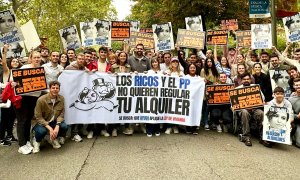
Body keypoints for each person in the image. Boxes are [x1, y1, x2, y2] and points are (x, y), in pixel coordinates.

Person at [14, 51, 42, 155]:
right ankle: (21, 145)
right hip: (22, 98)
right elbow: (15, 81)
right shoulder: (24, 68)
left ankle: (26, 141)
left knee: (28, 120)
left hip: (34, 98)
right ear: (30, 58)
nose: (37, 59)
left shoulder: (40, 69)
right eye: (35, 57)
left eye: (38, 57)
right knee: (22, 120)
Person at [31, 81, 68, 153]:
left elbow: (61, 113)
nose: (55, 89)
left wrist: (57, 125)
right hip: (40, 122)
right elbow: (38, 117)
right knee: (42, 131)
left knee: (64, 126)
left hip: (53, 121)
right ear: (49, 89)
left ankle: (53, 137)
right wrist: (50, 129)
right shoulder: (41, 100)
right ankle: (37, 140)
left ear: (59, 89)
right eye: (53, 88)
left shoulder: (61, 98)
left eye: (57, 88)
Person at [235, 72, 265, 147]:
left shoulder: (255, 87)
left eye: (248, 79)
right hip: (243, 109)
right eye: (244, 79)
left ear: (251, 80)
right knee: (244, 112)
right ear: (241, 81)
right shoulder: (237, 90)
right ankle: (246, 137)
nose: (246, 80)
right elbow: (234, 103)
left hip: (255, 108)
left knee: (261, 113)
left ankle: (263, 137)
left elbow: (262, 99)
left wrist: (262, 102)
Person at [0, 44, 20, 146]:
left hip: (14, 100)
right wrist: (5, 51)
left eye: (17, 61)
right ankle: (1, 138)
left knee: (12, 118)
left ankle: (9, 135)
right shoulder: (7, 71)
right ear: (10, 63)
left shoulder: (20, 73)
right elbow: (3, 63)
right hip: (6, 99)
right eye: (13, 61)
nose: (15, 62)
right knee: (4, 118)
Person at [164, 57, 184, 134]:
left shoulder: (181, 73)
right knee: (169, 110)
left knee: (176, 110)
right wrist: (166, 75)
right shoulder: (167, 71)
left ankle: (175, 126)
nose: (175, 63)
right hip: (169, 95)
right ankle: (169, 127)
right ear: (171, 63)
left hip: (178, 95)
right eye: (173, 62)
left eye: (176, 62)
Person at [200, 58, 219, 130]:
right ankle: (205, 122)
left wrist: (217, 83)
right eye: (207, 61)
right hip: (205, 91)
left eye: (210, 61)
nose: (209, 63)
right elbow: (201, 81)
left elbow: (218, 80)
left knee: (212, 107)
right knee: (206, 107)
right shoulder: (203, 70)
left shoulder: (216, 70)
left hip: (214, 92)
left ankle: (212, 122)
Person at [185, 63, 202, 135]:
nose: (192, 69)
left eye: (194, 68)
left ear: (196, 69)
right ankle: (188, 127)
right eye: (191, 68)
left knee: (195, 112)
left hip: (196, 99)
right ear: (188, 69)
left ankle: (195, 128)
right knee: (188, 112)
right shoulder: (185, 77)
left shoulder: (199, 78)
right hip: (187, 98)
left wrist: (204, 81)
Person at [288, 78, 300, 147]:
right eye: (297, 85)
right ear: (294, 86)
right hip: (297, 121)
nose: (298, 86)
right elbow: (290, 113)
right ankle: (293, 136)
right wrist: (297, 116)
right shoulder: (291, 99)